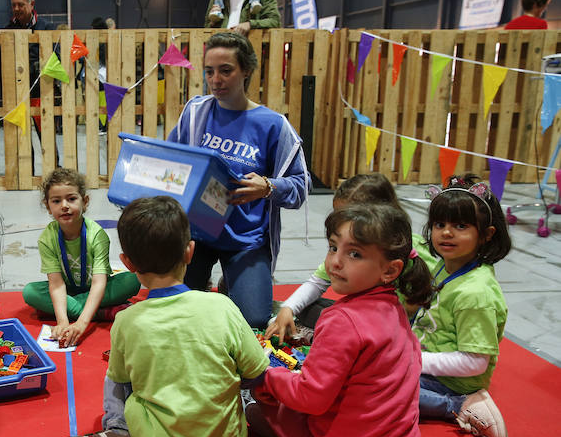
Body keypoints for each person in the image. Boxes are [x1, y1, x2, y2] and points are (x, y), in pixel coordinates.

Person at [55, 196, 268, 437]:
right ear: (190, 252)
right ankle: (256, 411)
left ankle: (118, 432)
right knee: (241, 368)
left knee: (115, 378)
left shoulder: (126, 321)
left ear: (127, 263)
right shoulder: (222, 306)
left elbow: (121, 378)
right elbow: (257, 372)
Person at [247, 204, 434, 437]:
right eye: (333, 247)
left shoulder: (341, 319)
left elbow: (310, 397)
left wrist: (266, 377)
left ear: (390, 270)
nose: (335, 262)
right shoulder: (395, 310)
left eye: (354, 254)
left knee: (266, 405)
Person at [167, 32, 308, 328]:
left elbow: (300, 186)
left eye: (226, 70)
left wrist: (268, 187)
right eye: (209, 71)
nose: (215, 79)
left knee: (253, 319)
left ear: (246, 70)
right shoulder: (195, 113)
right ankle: (209, 284)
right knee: (179, 313)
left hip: (246, 239)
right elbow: (171, 161)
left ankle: (231, 284)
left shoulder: (274, 125)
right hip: (197, 235)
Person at [265, 173, 438, 342]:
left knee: (334, 319)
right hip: (363, 316)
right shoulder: (344, 252)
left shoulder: (409, 250)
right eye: (333, 248)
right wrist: (288, 308)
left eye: (346, 215)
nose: (339, 223)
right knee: (310, 309)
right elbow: (317, 282)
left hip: (390, 328)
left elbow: (433, 301)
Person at [412, 174, 512, 437]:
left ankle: (459, 406)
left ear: (486, 235)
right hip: (424, 360)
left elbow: (475, 363)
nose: (446, 232)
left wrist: (414, 360)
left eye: (460, 226)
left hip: (452, 383)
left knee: (373, 390)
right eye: (439, 224)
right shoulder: (448, 265)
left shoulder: (475, 293)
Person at [22, 168, 141, 348]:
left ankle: (79, 310)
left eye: (71, 199)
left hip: (95, 289)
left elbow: (99, 283)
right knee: (30, 292)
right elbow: (56, 284)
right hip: (67, 291)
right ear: (48, 206)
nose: (64, 205)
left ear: (84, 202)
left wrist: (81, 324)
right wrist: (62, 322)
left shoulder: (97, 235)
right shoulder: (47, 238)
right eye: (56, 201)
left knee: (132, 281)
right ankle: (101, 313)